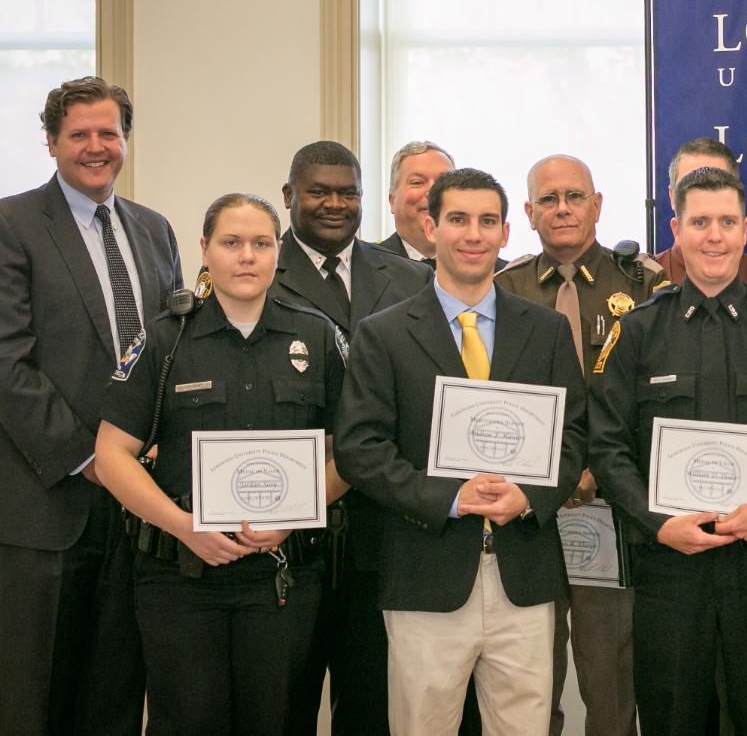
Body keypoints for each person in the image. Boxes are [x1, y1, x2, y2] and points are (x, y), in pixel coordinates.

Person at [335, 167, 586, 735]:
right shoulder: (384, 333)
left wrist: (527, 495)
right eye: (458, 220)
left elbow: (574, 436)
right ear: (430, 227)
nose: (473, 234)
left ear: (504, 234)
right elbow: (360, 448)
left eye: (487, 221)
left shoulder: (544, 331)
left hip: (525, 574)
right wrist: (450, 498)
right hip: (425, 572)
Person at [93, 192, 348, 733]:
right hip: (179, 578)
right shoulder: (165, 338)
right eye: (231, 243)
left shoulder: (317, 335)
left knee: (275, 720)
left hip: (282, 576)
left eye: (260, 243)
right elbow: (112, 455)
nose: (246, 256)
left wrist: (292, 517)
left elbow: (349, 452)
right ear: (205, 249)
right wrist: (184, 527)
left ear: (278, 250)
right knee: (188, 721)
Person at [588, 167, 747, 735]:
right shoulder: (640, 330)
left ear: (745, 229)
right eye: (699, 222)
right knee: (673, 718)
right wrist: (655, 523)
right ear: (676, 229)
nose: (714, 237)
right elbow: (607, 446)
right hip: (671, 566)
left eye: (726, 222)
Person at [0, 75, 181, 736]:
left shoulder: (156, 231)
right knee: (32, 698)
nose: (96, 146)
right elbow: (6, 366)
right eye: (79, 134)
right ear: (51, 142)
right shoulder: (11, 224)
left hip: (138, 513)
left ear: (126, 140)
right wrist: (91, 457)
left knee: (114, 695)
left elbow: (172, 355)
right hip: (47, 505)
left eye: (109, 132)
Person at [495, 153, 668, 736]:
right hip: (530, 513)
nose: (562, 208)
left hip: (613, 509)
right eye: (548, 199)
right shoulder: (503, 288)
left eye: (574, 196)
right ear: (527, 213)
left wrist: (596, 470)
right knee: (527, 675)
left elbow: (654, 396)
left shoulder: (644, 282)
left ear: (598, 205)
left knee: (611, 674)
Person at [271, 140, 435, 735]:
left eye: (349, 193)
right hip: (291, 534)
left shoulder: (412, 277)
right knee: (284, 701)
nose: (335, 204)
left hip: (384, 530)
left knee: (371, 706)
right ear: (289, 196)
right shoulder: (262, 269)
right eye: (319, 191)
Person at [654, 137, 747, 285]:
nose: (705, 194)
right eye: (690, 185)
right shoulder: (646, 280)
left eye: (718, 182)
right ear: (672, 197)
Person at [375, 140, 455, 264]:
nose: (432, 192)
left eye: (442, 183)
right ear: (392, 201)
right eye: (417, 182)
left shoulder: (491, 272)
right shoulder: (366, 269)